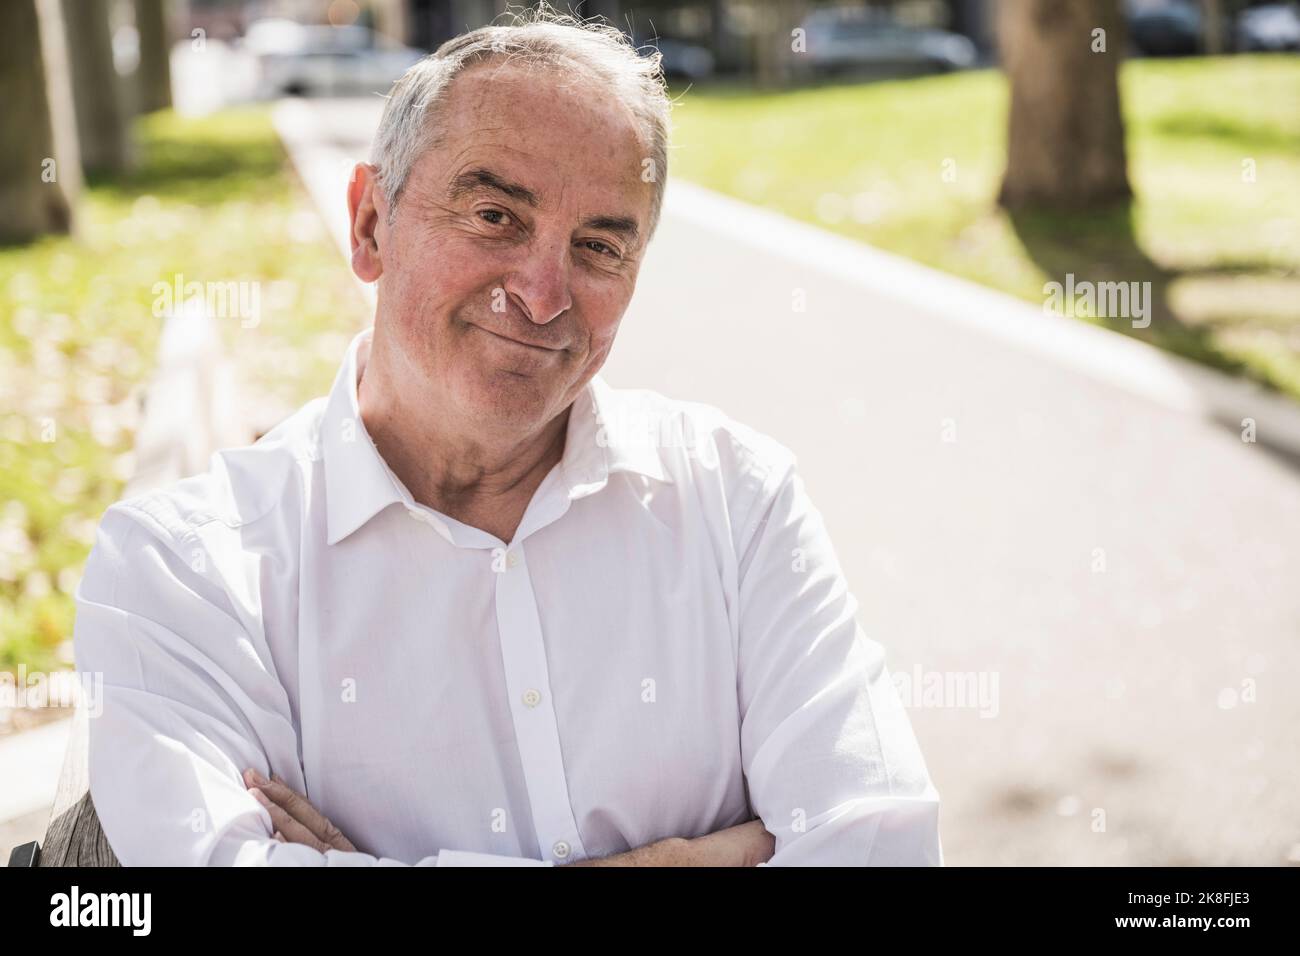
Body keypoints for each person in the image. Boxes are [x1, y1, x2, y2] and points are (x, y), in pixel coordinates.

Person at [73, 6, 942, 866]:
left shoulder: (739, 501)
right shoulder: (184, 571)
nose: (541, 294)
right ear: (371, 224)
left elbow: (882, 845)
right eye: (495, 215)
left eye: (600, 246)